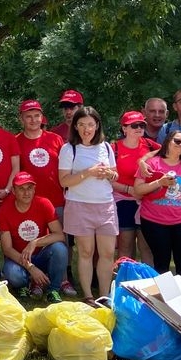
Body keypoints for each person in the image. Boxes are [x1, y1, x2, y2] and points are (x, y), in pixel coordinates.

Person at [57, 106, 119, 302]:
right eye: (82, 124)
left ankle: (105, 295)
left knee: (107, 252)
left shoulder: (106, 147)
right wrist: (88, 173)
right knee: (85, 252)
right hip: (79, 205)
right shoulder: (69, 149)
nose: (87, 129)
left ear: (97, 125)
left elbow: (115, 176)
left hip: (105, 205)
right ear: (75, 126)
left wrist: (108, 174)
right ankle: (88, 296)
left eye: (90, 124)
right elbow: (64, 181)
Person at [133, 131, 181, 281]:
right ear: (168, 141)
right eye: (177, 141)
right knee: (161, 264)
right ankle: (162, 300)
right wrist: (159, 182)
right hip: (153, 222)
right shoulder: (151, 164)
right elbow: (137, 190)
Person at [0, 171, 71, 301]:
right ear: (13, 191)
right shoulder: (4, 210)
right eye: (21, 189)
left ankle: (53, 290)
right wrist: (31, 268)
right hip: (18, 259)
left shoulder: (44, 204)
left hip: (41, 255)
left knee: (60, 249)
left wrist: (35, 242)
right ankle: (25, 285)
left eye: (30, 188)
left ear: (34, 189)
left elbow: (60, 235)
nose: (26, 193)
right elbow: (7, 249)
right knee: (13, 274)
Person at [110, 111, 158, 263]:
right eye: (134, 125)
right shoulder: (113, 148)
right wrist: (130, 190)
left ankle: (148, 282)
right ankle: (125, 281)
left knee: (147, 245)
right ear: (124, 129)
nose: (139, 128)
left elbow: (170, 151)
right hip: (123, 201)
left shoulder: (150, 145)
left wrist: (145, 158)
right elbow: (108, 179)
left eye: (142, 125)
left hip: (146, 201)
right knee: (125, 245)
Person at [15, 99, 65, 217]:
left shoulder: (56, 139)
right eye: (29, 117)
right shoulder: (15, 141)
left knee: (60, 235)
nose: (33, 120)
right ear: (21, 119)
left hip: (56, 201)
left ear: (42, 117)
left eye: (37, 116)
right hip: (28, 202)